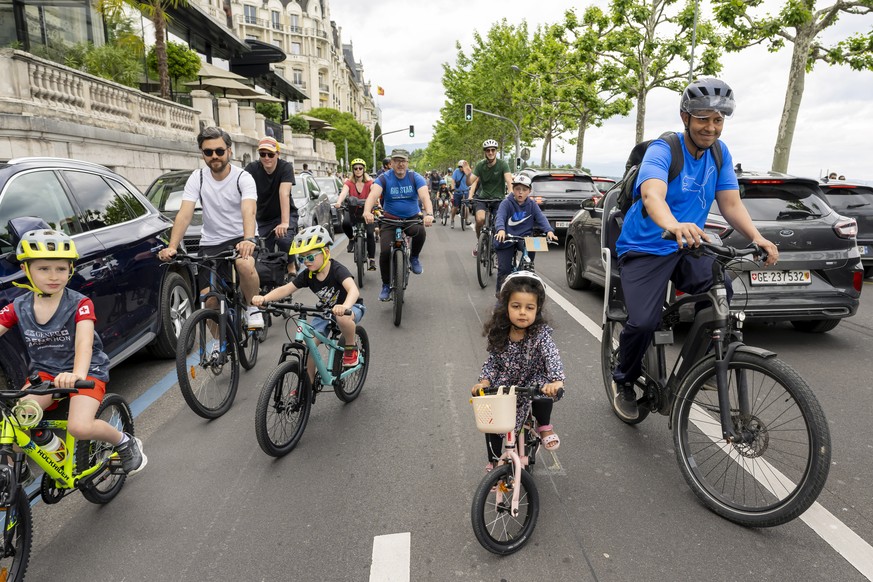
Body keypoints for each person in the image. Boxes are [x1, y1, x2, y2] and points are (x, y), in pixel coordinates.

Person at [611, 77, 779, 421]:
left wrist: (757, 237)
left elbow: (731, 204)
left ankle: (702, 365)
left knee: (722, 293)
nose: (711, 127)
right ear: (685, 117)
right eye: (703, 118)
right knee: (643, 323)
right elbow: (651, 195)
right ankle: (624, 379)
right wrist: (672, 224)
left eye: (718, 120)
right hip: (647, 245)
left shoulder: (720, 153)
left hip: (689, 244)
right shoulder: (664, 150)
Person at [0, 230, 146, 481]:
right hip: (45, 373)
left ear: (70, 269)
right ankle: (20, 468)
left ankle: (125, 442)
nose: (54, 276)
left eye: (61, 268)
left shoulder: (80, 303)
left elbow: (84, 344)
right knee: (17, 421)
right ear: (26, 269)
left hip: (85, 370)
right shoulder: (18, 307)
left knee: (79, 427)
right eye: (44, 268)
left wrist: (77, 374)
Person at [157, 126, 263, 329]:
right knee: (209, 300)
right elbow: (185, 213)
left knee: (244, 265)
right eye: (208, 152)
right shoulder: (198, 177)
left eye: (219, 151)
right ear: (202, 153)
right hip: (211, 242)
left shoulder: (243, 178)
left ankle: (253, 307)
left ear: (229, 151)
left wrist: (248, 239)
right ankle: (218, 347)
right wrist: (172, 246)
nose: (214, 156)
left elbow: (248, 211)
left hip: (241, 238)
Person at [470, 271, 564, 471]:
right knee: (492, 420)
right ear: (506, 308)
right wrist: (485, 381)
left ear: (537, 310)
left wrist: (556, 381)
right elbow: (493, 362)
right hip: (506, 384)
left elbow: (552, 356)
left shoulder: (540, 335)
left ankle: (544, 427)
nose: (523, 312)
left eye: (529, 308)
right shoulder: (499, 334)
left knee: (542, 393)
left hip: (533, 381)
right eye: (516, 306)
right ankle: (495, 462)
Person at [252, 225, 365, 375]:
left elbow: (353, 290)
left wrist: (345, 306)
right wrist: (264, 298)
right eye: (302, 258)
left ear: (325, 252)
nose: (306, 261)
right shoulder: (308, 275)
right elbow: (286, 289)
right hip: (325, 311)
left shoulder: (337, 270)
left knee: (342, 317)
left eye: (310, 257)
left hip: (351, 307)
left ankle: (351, 347)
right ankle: (307, 387)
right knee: (307, 347)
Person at [363, 148, 434, 302]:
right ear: (392, 163)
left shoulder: (415, 177)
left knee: (420, 232)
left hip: (411, 218)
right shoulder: (384, 178)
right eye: (396, 161)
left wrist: (429, 214)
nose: (400, 164)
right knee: (385, 252)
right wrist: (367, 211)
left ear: (407, 162)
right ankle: (386, 285)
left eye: (403, 161)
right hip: (389, 219)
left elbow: (425, 196)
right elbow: (373, 195)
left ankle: (414, 257)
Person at [244, 136, 298, 280]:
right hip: (262, 218)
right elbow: (244, 196)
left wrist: (285, 223)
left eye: (270, 154)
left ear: (278, 154)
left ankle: (291, 265)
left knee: (284, 240)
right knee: (260, 250)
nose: (266, 158)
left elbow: (284, 193)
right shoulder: (251, 169)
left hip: (283, 215)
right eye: (262, 154)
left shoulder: (285, 167)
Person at [494, 174, 558, 294]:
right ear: (513, 189)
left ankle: (527, 273)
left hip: (525, 238)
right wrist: (501, 230)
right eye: (518, 189)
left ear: (529, 191)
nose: (520, 193)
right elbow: (500, 217)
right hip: (507, 238)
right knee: (504, 270)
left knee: (529, 264)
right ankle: (500, 297)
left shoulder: (532, 204)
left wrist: (549, 231)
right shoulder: (506, 203)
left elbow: (541, 218)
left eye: (524, 190)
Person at [461, 139, 513, 256]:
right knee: (480, 220)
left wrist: (510, 194)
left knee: (498, 224)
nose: (490, 152)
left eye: (493, 150)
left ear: (496, 151)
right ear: (485, 152)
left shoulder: (503, 164)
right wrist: (468, 174)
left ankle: (496, 245)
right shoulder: (480, 165)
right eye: (488, 150)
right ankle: (481, 242)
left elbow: (509, 180)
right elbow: (470, 183)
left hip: (498, 199)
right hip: (483, 198)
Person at [336, 158, 377, 271]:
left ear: (364, 170)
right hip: (353, 211)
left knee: (369, 233)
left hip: (367, 212)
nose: (358, 170)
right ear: (353, 170)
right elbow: (344, 192)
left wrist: (377, 201)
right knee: (345, 223)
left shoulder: (370, 183)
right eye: (355, 168)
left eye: (360, 168)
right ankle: (351, 238)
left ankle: (372, 259)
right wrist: (339, 202)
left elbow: (374, 193)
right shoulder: (349, 183)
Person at [450, 160, 470, 229]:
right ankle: (452, 219)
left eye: (462, 167)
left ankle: (467, 219)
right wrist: (453, 188)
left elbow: (471, 179)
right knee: (455, 207)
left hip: (466, 191)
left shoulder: (467, 171)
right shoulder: (456, 171)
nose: (461, 168)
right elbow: (452, 181)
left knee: (467, 206)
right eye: (460, 167)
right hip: (457, 192)